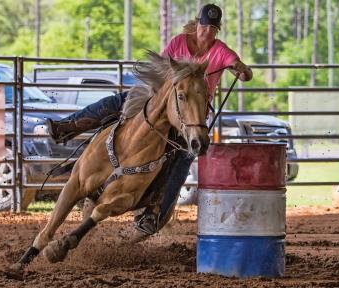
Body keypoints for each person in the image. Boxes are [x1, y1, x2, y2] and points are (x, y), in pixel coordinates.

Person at [46, 3, 252, 237]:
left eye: (212, 29)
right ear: (198, 25)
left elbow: (244, 72)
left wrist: (240, 68)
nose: (207, 33)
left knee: (183, 157)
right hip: (164, 100)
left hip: (191, 115)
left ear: (217, 30)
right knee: (117, 102)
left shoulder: (220, 51)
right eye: (204, 27)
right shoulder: (179, 41)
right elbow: (160, 68)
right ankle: (69, 127)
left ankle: (154, 212)